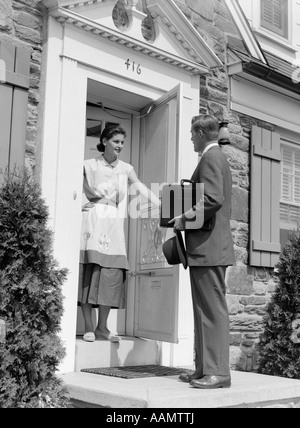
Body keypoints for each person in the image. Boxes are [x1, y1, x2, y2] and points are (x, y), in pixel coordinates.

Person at [169, 114, 235, 389]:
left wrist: (183, 218)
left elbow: (213, 198)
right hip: (206, 247)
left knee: (211, 310)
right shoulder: (213, 157)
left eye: (192, 133)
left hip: (209, 248)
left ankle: (218, 372)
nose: (190, 138)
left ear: (201, 132)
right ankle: (204, 368)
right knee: (202, 311)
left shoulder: (211, 157)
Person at [78, 125, 160, 343]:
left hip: (113, 223)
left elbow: (140, 187)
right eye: (116, 141)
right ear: (105, 141)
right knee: (89, 271)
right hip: (93, 222)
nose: (120, 146)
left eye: (122, 142)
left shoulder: (125, 168)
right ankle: (88, 326)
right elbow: (72, 190)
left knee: (111, 274)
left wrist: (162, 204)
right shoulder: (88, 165)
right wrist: (79, 205)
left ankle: (102, 328)